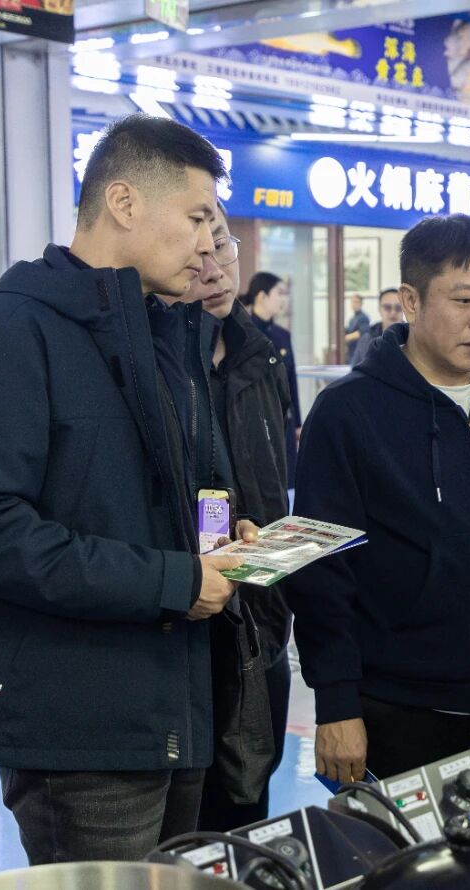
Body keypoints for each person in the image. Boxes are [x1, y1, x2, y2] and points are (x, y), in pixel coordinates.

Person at [0, 114, 243, 863]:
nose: (209, 243)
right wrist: (174, 581)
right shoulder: (1, 336)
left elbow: (173, 490)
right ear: (124, 202)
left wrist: (225, 538)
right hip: (77, 728)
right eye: (197, 217)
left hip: (173, 707)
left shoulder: (162, 339)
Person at [289, 214, 470, 782]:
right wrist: (336, 703)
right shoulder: (349, 412)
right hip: (396, 708)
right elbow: (321, 571)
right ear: (411, 301)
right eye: (464, 300)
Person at [184, 207, 295, 830]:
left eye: (222, 247)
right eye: (196, 254)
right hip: (190, 617)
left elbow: (274, 478)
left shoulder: (261, 355)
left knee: (251, 801)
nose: (215, 271)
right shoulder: (157, 367)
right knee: (191, 821)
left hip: (262, 616)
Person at [241, 272, 301, 485]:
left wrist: (298, 423)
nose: (284, 299)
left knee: (286, 479)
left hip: (284, 418)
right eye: (280, 293)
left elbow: (291, 379)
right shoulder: (243, 331)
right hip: (254, 419)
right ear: (262, 296)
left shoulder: (282, 335)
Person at [352, 287, 404, 367]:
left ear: (404, 309)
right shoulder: (367, 339)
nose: (393, 312)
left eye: (398, 308)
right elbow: (356, 369)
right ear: (379, 310)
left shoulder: (414, 339)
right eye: (387, 307)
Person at [343, 293, 371, 363]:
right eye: (353, 302)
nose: (354, 304)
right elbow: (349, 331)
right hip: (350, 352)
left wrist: (344, 338)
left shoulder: (364, 317)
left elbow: (362, 332)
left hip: (357, 353)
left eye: (356, 302)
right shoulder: (352, 319)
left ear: (361, 304)